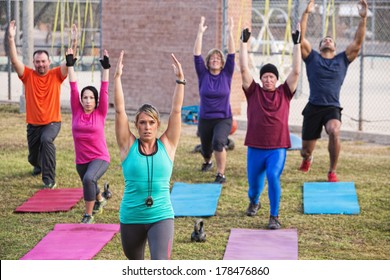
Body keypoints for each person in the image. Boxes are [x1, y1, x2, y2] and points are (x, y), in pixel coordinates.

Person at [114, 50, 185, 260]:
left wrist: (180, 80)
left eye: (151, 122)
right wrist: (117, 78)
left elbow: (177, 110)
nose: (147, 127)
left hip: (161, 216)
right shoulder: (128, 146)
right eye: (142, 123)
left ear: (157, 125)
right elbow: (119, 111)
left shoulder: (168, 144)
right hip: (131, 217)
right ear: (136, 125)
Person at [239, 24, 302, 229]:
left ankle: (274, 216)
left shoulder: (284, 92)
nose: (268, 79)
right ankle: (254, 201)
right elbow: (243, 69)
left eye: (271, 77)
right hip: (255, 148)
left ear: (276, 79)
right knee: (254, 187)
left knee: (273, 176)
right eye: (265, 76)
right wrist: (244, 43)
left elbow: (297, 70)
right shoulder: (253, 91)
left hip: (277, 148)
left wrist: (297, 44)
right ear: (261, 78)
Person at [298, 0, 368, 182]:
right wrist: (306, 13)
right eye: (324, 40)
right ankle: (308, 158)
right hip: (313, 107)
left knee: (335, 130)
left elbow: (358, 42)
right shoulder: (311, 58)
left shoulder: (342, 60)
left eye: (330, 40)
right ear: (320, 46)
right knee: (305, 150)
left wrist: (363, 18)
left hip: (332, 108)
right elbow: (301, 37)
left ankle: (332, 171)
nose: (327, 40)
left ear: (335, 48)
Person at [7, 20, 77, 189]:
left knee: (47, 141)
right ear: (34, 63)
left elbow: (69, 61)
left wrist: (74, 41)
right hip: (33, 125)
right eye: (37, 62)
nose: (40, 64)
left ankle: (49, 179)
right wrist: (10, 38)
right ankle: (37, 164)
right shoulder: (28, 75)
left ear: (49, 62)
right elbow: (15, 60)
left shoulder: (56, 75)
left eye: (43, 61)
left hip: (52, 122)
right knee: (33, 156)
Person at [65, 48, 111, 224]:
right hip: (81, 159)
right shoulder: (77, 111)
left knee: (89, 178)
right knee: (88, 182)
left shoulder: (100, 112)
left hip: (100, 157)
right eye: (85, 97)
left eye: (91, 98)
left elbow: (105, 89)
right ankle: (100, 199)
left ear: (96, 100)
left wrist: (106, 68)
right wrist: (70, 65)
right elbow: (73, 87)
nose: (88, 101)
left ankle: (88, 215)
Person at [193, 16, 235, 184]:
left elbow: (232, 54)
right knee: (205, 149)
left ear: (222, 63)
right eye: (212, 58)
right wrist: (200, 32)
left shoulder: (227, 73)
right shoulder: (203, 74)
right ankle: (207, 161)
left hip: (223, 117)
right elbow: (196, 54)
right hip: (205, 118)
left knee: (218, 142)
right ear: (208, 62)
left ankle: (220, 174)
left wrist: (230, 32)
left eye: (218, 58)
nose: (215, 60)